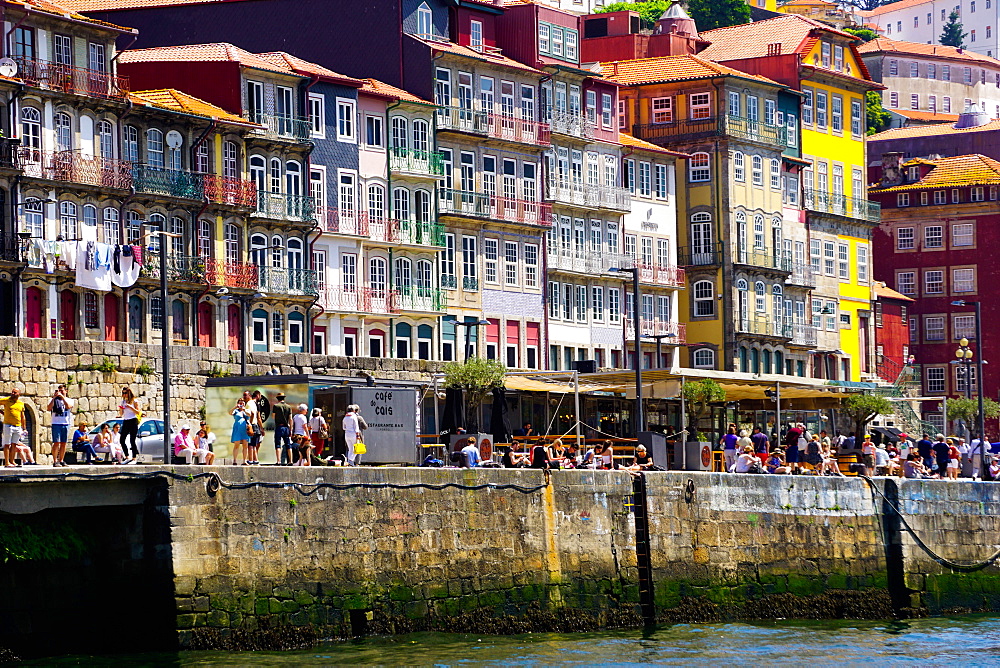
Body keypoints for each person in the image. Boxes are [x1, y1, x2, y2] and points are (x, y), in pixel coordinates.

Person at [47, 384, 74, 467]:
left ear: (66, 391)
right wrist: (54, 398)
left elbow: (69, 406)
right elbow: (48, 408)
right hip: (56, 423)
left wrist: (63, 398)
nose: (60, 392)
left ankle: (61, 460)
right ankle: (55, 461)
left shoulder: (70, 400)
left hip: (65, 423)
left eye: (62, 390)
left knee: (63, 443)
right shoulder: (54, 400)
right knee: (56, 443)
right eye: (59, 391)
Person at [1, 388, 27, 468]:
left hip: (17, 426)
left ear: (19, 394)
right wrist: (2, 412)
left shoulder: (21, 403)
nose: (12, 393)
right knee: (7, 444)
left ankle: (12, 461)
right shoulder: (6, 400)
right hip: (8, 425)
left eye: (15, 392)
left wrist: (24, 427)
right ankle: (7, 462)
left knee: (14, 444)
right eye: (12, 392)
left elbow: (22, 416)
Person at [118, 387, 142, 463]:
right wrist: (121, 409)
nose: (124, 395)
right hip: (126, 420)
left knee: (132, 440)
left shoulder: (134, 401)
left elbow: (138, 412)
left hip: (133, 420)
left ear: (129, 393)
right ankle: (127, 456)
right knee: (122, 439)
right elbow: (121, 414)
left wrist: (131, 407)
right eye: (123, 393)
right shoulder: (123, 402)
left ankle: (134, 458)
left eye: (125, 393)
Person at [243, 390, 263, 466]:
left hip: (252, 425)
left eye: (245, 395)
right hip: (255, 425)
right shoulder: (254, 403)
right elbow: (257, 416)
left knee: (250, 444)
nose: (244, 397)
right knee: (254, 445)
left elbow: (252, 413)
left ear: (249, 396)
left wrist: (249, 424)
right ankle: (256, 460)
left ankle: (250, 460)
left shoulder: (249, 403)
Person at [271, 393, 293, 465]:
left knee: (278, 444)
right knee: (288, 444)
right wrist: (291, 429)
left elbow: (273, 417)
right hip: (286, 427)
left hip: (279, 427)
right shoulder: (288, 407)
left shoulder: (276, 406)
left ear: (277, 398)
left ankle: (278, 461)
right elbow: (290, 419)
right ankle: (290, 461)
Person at [230, 398, 250, 465]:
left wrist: (244, 410)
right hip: (237, 428)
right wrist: (235, 407)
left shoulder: (246, 410)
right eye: (240, 403)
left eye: (243, 403)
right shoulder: (236, 411)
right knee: (236, 444)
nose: (241, 404)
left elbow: (249, 415)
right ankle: (235, 460)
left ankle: (244, 460)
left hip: (245, 429)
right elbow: (230, 413)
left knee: (245, 445)